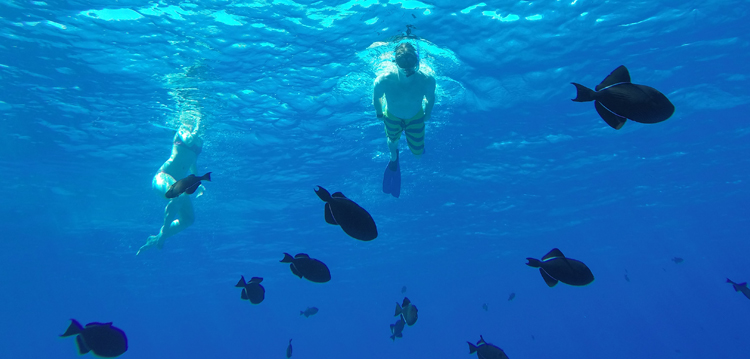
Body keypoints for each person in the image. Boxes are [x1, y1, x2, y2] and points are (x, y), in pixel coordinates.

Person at [372, 42, 436, 197]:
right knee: (392, 143)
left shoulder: (427, 80)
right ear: (395, 62)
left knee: (417, 154)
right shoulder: (384, 80)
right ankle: (394, 157)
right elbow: (377, 97)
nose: (407, 66)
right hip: (393, 116)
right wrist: (379, 113)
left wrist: (427, 113)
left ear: (417, 60)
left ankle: (417, 146)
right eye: (402, 61)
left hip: (415, 117)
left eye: (410, 61)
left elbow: (430, 98)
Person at [137, 112, 205, 255]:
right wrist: (197, 125)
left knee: (188, 219)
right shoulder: (182, 130)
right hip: (162, 177)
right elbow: (189, 141)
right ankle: (163, 235)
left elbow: (193, 164)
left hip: (179, 183)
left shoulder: (200, 141)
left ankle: (157, 238)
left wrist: (198, 181)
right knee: (178, 195)